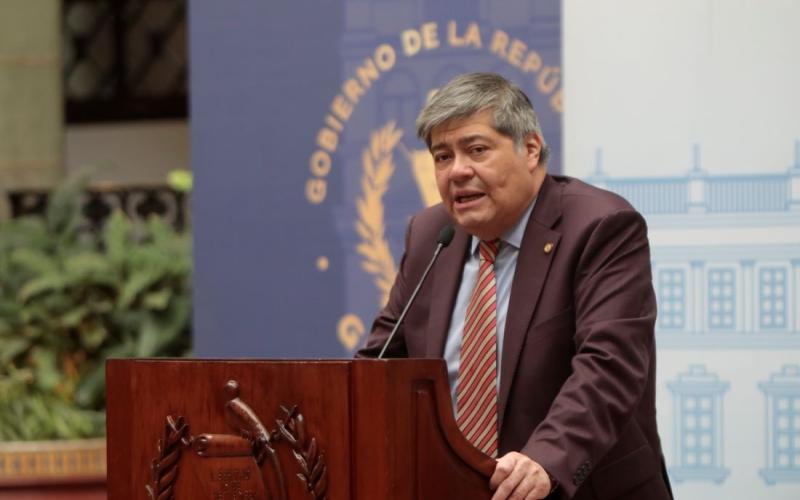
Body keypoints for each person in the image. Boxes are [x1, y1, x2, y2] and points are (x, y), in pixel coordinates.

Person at [357, 72, 672, 500]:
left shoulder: (600, 227)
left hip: (576, 488)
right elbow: (380, 365)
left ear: (530, 148)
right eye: (442, 156)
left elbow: (608, 366)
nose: (457, 171)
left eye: (477, 150)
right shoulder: (432, 233)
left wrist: (546, 457)